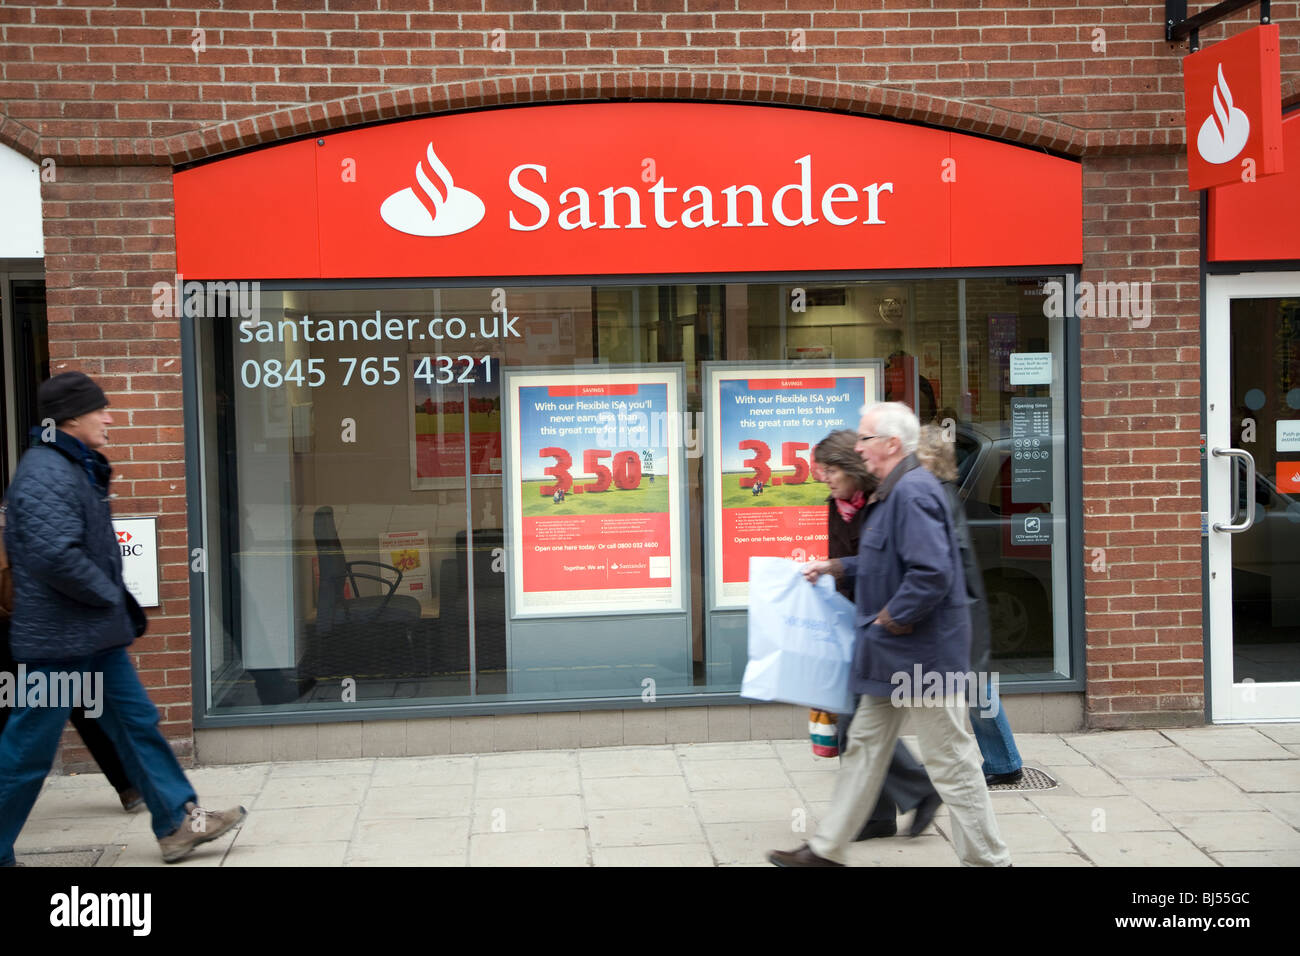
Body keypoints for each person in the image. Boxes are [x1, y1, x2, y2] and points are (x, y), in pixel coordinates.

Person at [0, 371, 247, 867]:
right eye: (101, 410)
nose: (110, 417)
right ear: (70, 417)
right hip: (60, 643)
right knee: (28, 751)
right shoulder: (46, 470)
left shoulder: (70, 464)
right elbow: (53, 556)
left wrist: (107, 604)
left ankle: (179, 824)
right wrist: (108, 594)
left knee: (138, 727)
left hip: (92, 637)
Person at [769, 402, 1009, 867]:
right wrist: (836, 565)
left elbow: (932, 573)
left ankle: (990, 861)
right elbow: (887, 562)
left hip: (923, 659)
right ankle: (826, 851)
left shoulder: (913, 492)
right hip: (892, 657)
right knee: (862, 748)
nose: (857, 447)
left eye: (864, 438)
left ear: (891, 445)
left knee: (951, 764)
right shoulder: (891, 492)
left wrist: (889, 618)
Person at [812, 430, 940, 839]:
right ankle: (880, 815)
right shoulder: (837, 506)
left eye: (831, 470)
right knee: (857, 720)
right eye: (822, 472)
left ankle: (917, 791)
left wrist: (838, 568)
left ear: (852, 468)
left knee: (859, 722)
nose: (825, 479)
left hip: (885, 622)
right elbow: (844, 563)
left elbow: (888, 564)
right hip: (853, 620)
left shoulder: (884, 502)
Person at [915, 425, 1024, 786]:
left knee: (975, 688)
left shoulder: (939, 497)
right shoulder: (943, 493)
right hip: (960, 609)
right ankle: (998, 761)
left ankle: (1004, 762)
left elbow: (952, 562)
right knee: (971, 688)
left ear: (928, 459)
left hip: (957, 612)